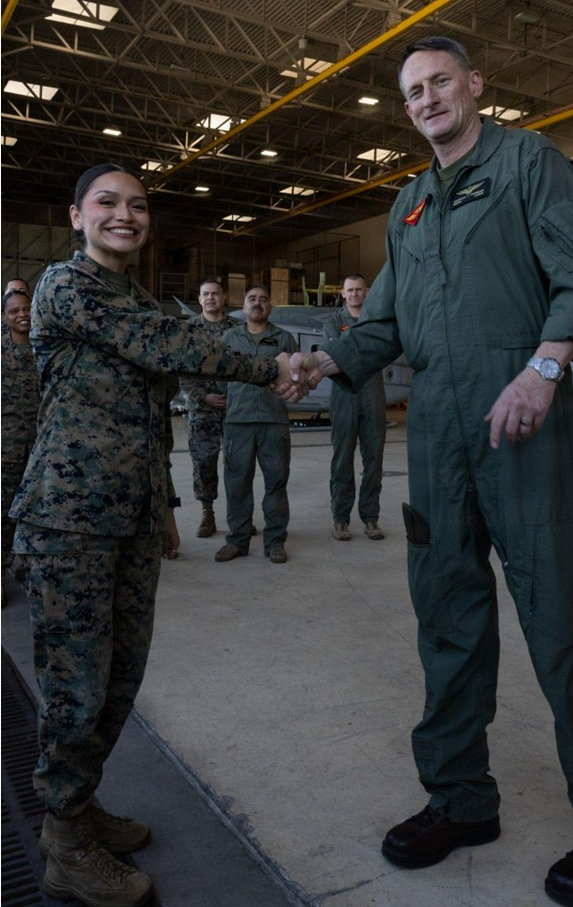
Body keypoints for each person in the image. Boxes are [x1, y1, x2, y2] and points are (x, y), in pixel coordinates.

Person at [290, 37, 573, 907]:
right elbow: (384, 327)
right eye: (413, 92)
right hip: (438, 432)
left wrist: (547, 368)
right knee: (446, 619)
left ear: (475, 85)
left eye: (442, 81)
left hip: (520, 417)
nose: (429, 98)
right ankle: (461, 798)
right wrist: (320, 365)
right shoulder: (408, 204)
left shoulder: (525, 163)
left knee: (565, 621)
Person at [9, 163, 306, 907]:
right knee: (75, 688)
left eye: (138, 206)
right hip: (69, 515)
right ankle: (65, 840)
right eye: (107, 203)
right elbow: (170, 347)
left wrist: (166, 505)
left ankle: (80, 808)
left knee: (118, 677)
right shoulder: (66, 285)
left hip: (131, 514)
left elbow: (148, 406)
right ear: (77, 215)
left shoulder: (134, 295)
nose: (125, 215)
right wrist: (271, 365)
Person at [215, 284, 298, 564]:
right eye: (252, 298)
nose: (257, 303)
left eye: (263, 299)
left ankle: (275, 541)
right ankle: (237, 540)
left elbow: (295, 380)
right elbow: (218, 375)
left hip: (273, 421)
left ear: (270, 307)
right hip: (238, 420)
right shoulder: (229, 337)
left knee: (276, 482)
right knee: (236, 482)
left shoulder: (284, 339)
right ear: (244, 305)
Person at [322, 273, 386, 541]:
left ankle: (371, 519)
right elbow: (335, 353)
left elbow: (379, 351)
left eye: (359, 289)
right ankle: (340, 519)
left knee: (374, 460)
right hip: (344, 394)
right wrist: (362, 354)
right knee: (342, 461)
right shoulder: (333, 322)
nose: (354, 294)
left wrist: (354, 354)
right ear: (343, 293)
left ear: (366, 292)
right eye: (350, 290)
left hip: (372, 395)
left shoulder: (375, 320)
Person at [178, 278, 239, 538]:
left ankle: (239, 516)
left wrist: (235, 395)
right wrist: (203, 396)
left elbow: (244, 363)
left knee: (239, 464)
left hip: (235, 408)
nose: (211, 298)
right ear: (200, 299)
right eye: (206, 294)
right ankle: (207, 514)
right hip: (202, 410)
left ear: (223, 297)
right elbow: (182, 369)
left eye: (215, 293)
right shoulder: (189, 329)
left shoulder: (238, 328)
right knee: (203, 463)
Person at [1, 285, 40, 602]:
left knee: (38, 513)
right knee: (3, 512)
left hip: (42, 449)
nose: (22, 315)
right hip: (7, 448)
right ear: (4, 317)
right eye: (14, 311)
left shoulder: (46, 346)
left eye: (26, 308)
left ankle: (31, 570)